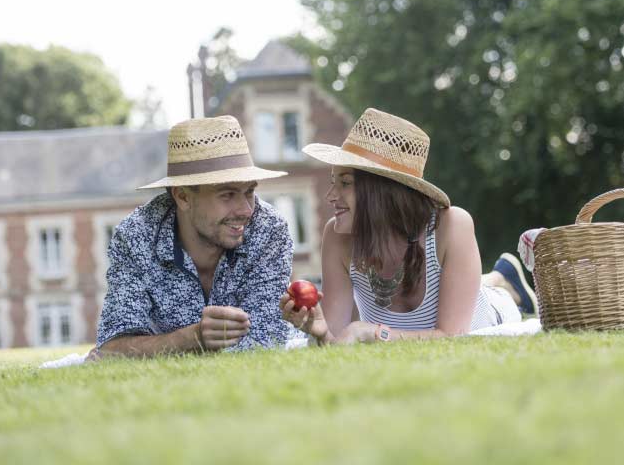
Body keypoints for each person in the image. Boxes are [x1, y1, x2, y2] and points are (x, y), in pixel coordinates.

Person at [280, 108, 537, 345]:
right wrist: (320, 331)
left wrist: (371, 331)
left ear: (382, 191)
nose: (331, 196)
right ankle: (498, 276)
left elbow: (451, 336)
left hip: (492, 312)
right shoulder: (337, 235)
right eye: (333, 181)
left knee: (493, 295)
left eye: (345, 183)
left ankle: (506, 284)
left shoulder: (452, 225)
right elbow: (337, 343)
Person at [93, 115, 293, 358]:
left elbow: (266, 340)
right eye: (227, 195)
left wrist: (157, 348)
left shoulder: (269, 229)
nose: (246, 210)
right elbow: (112, 348)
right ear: (183, 197)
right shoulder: (137, 236)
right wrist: (193, 337)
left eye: (249, 191)